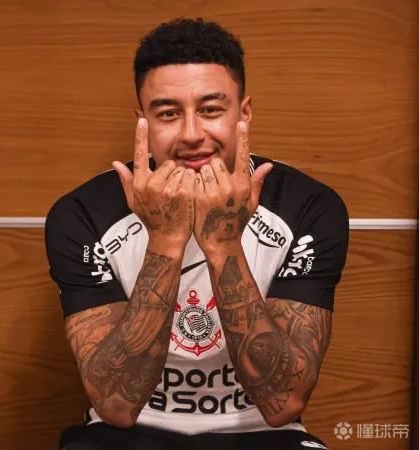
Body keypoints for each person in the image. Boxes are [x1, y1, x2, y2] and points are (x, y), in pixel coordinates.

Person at [45, 17, 349, 450]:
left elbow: (283, 401)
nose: (191, 135)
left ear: (244, 114)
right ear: (142, 122)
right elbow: (115, 405)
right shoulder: (82, 214)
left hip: (261, 433)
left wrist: (222, 242)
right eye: (168, 113)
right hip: (126, 435)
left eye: (210, 110)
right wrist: (166, 239)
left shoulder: (308, 207)